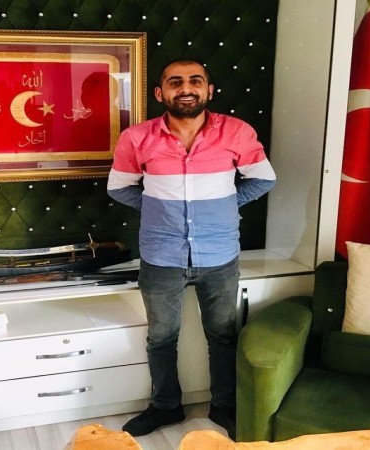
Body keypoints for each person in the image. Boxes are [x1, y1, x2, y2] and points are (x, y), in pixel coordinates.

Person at [107, 59, 276, 439]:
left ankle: (224, 406)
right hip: (160, 254)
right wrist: (157, 208)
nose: (186, 88)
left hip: (219, 254)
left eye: (195, 81)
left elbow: (263, 179)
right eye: (175, 82)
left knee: (223, 335)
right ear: (160, 92)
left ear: (208, 90)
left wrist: (226, 205)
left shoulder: (236, 132)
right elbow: (119, 187)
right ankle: (165, 407)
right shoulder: (137, 138)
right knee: (161, 338)